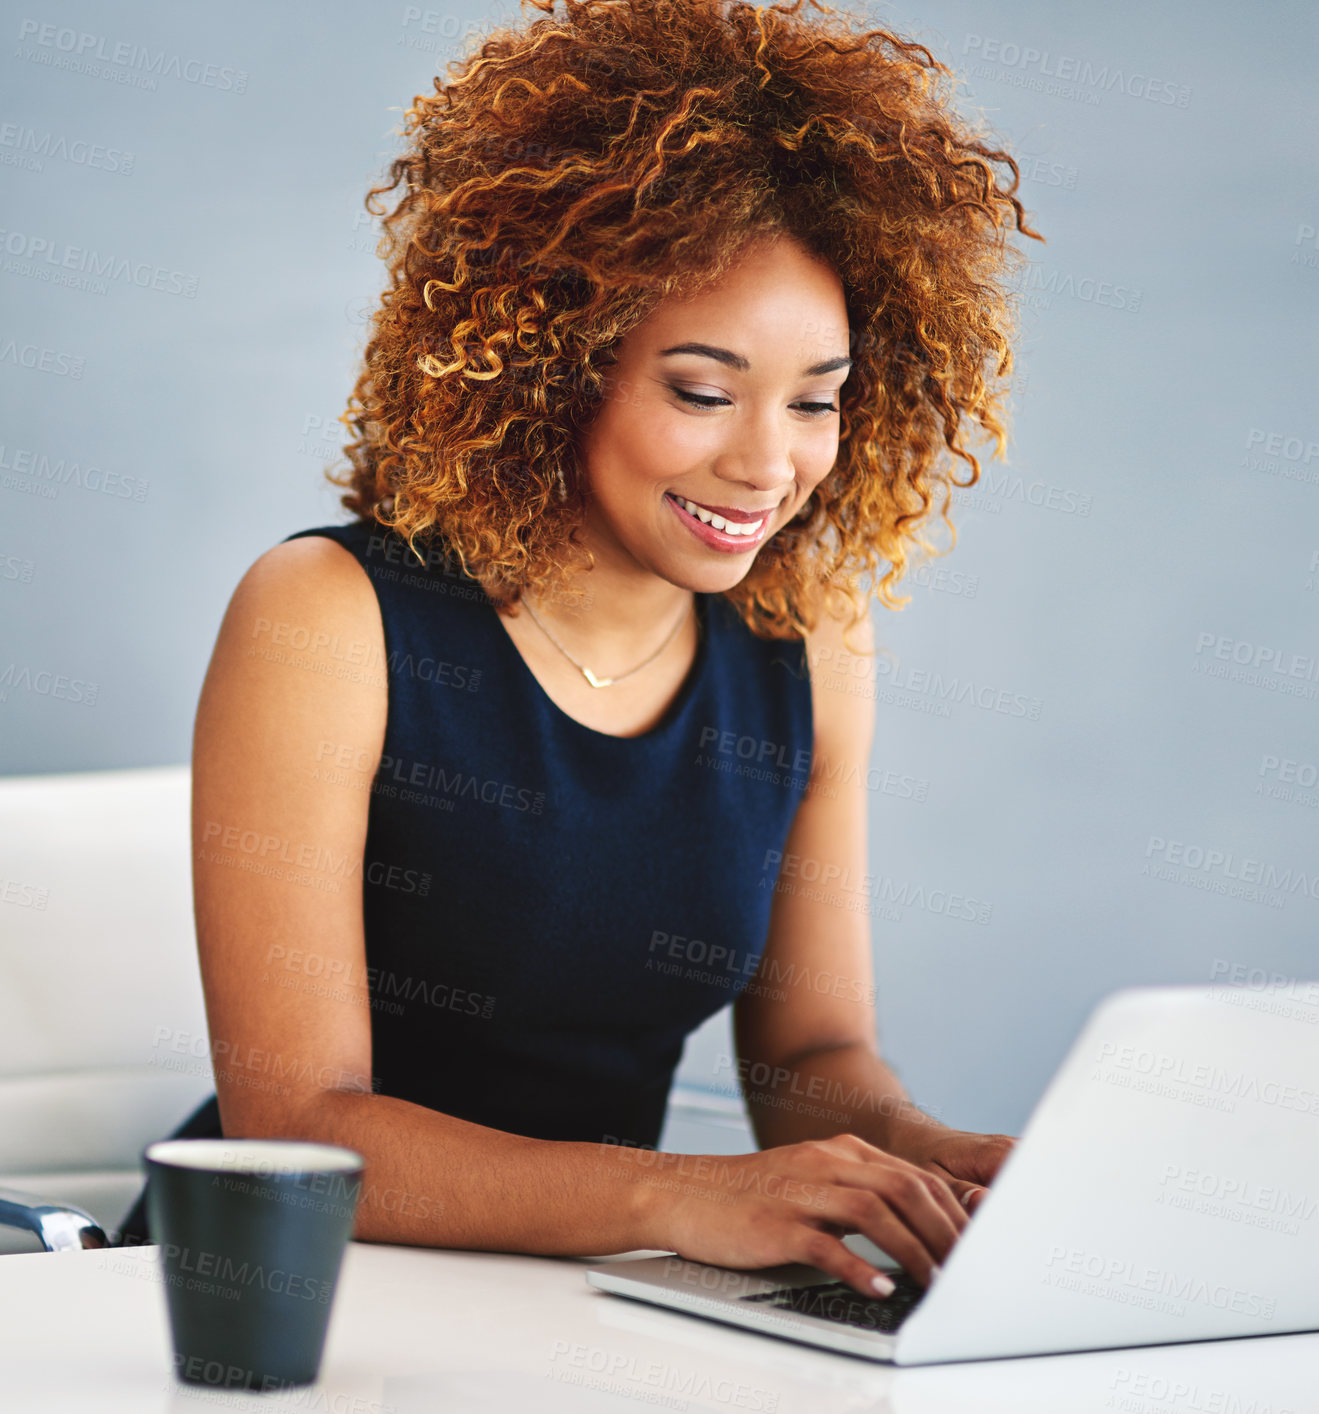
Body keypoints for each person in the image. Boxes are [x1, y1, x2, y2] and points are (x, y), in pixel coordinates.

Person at [119, 0, 1040, 1302]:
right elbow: (300, 1128)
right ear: (557, 359)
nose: (767, 463)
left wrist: (931, 1163)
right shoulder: (326, 614)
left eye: (817, 400)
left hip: (558, 1307)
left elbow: (813, 1055)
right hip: (265, 1307)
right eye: (703, 390)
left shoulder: (803, 639)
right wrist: (676, 1193)